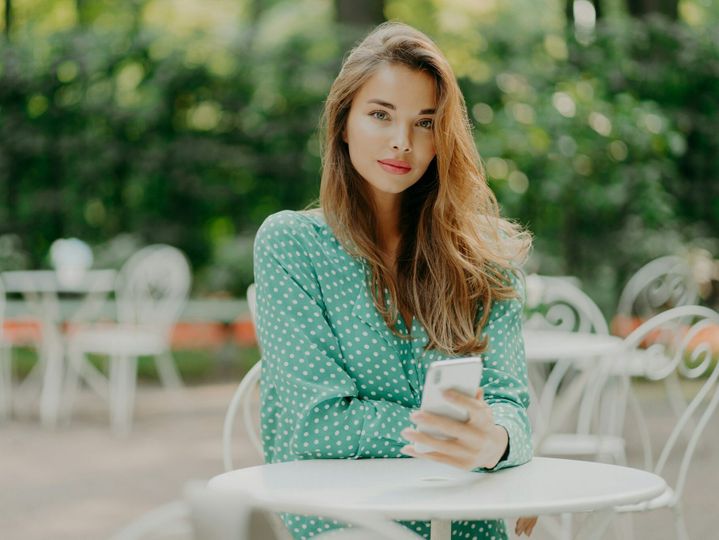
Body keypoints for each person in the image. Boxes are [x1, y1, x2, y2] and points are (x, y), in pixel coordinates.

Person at [253, 21, 537, 539]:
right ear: (343, 123)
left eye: (424, 123)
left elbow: (511, 408)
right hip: (347, 523)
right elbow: (316, 424)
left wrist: (495, 443)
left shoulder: (483, 255)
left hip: (467, 520)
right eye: (380, 115)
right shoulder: (291, 245)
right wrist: (457, 433)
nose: (401, 142)